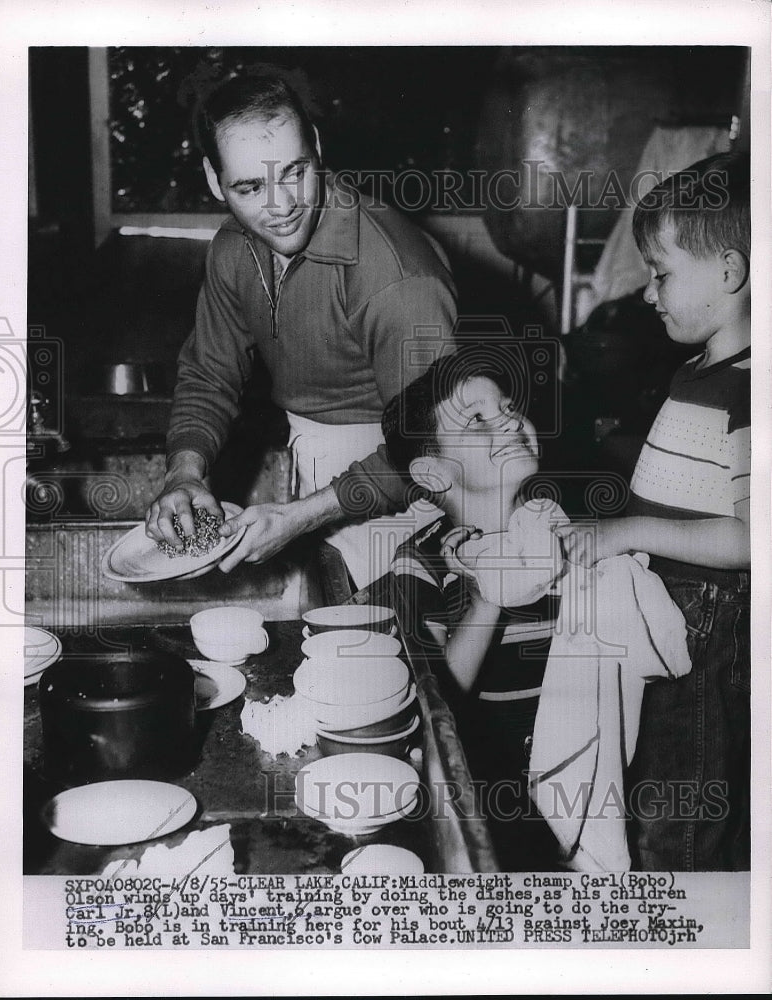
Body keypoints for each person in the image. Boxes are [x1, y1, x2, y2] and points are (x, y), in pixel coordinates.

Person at [146, 69, 456, 588]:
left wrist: (301, 516)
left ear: (317, 146)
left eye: (294, 172)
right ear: (213, 180)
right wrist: (184, 471)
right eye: (250, 186)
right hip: (314, 482)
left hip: (412, 508)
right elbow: (209, 376)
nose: (282, 206)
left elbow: (431, 450)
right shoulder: (233, 250)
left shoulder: (398, 278)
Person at [555, 152, 751, 871]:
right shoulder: (700, 371)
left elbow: (753, 536)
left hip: (704, 629)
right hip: (668, 616)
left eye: (661, 273)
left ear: (729, 273)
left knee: (676, 825)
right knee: (650, 800)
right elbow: (691, 477)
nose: (647, 293)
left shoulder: (749, 387)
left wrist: (628, 530)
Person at [382, 349, 563, 870]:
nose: (507, 420)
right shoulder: (423, 564)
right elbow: (437, 696)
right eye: (478, 419)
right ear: (434, 472)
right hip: (495, 798)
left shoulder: (558, 533)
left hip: (578, 776)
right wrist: (489, 595)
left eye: (506, 406)